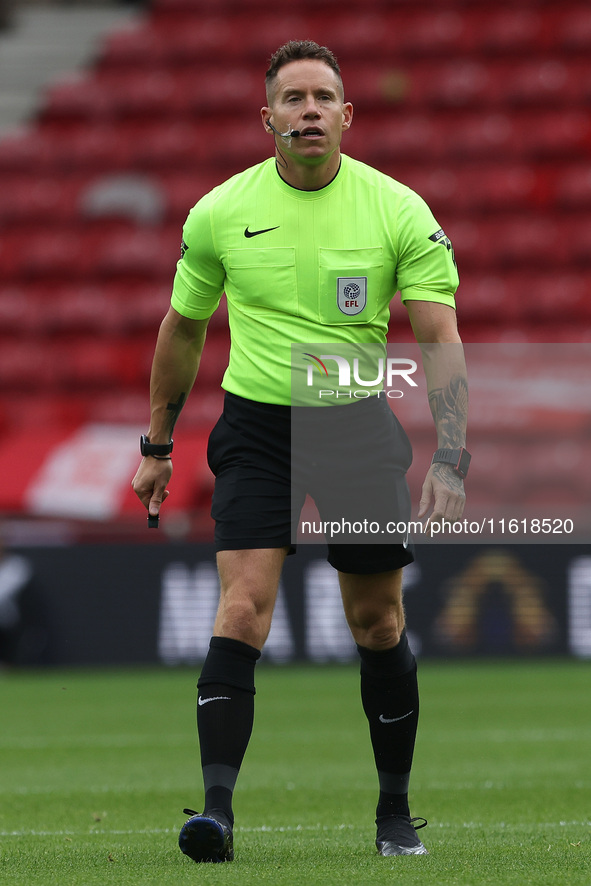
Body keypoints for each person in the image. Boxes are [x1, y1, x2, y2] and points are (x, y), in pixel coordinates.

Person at [132, 40, 468, 863]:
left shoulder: (396, 210)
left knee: (377, 620)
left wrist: (452, 457)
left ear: (347, 116)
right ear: (269, 117)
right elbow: (182, 329)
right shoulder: (218, 211)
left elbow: (439, 340)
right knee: (242, 608)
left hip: (355, 426)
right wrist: (156, 444)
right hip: (257, 428)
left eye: (324, 97)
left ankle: (393, 815)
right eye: (294, 98)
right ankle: (216, 815)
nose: (309, 110)